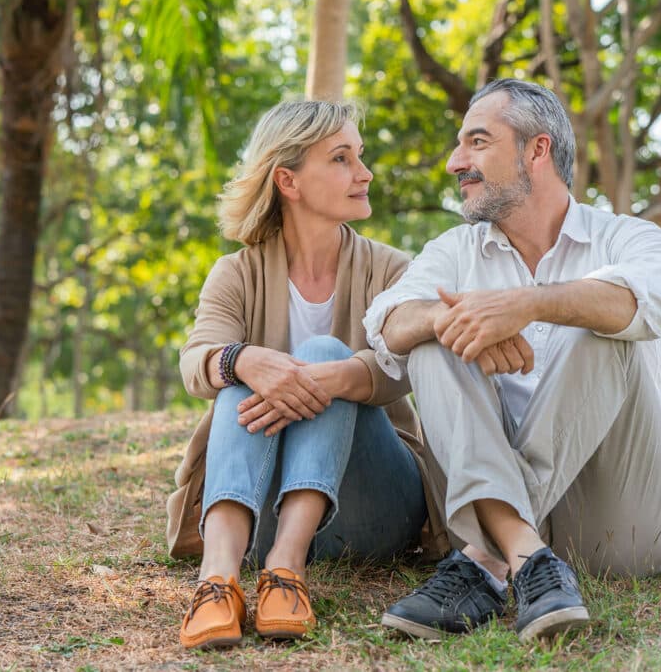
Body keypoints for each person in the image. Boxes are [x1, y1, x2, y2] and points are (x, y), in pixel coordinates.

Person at [363, 78, 661, 642]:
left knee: (604, 323)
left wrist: (525, 305)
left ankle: (486, 560)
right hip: (494, 489)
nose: (454, 161)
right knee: (435, 332)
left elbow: (642, 301)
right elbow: (387, 324)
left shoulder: (630, 238)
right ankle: (524, 553)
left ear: (537, 150)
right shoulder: (453, 250)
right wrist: (451, 320)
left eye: (477, 142)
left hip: (618, 524)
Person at [166, 99, 449, 650]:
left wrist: (330, 377)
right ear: (288, 181)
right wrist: (246, 361)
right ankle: (219, 579)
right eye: (342, 158)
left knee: (322, 355)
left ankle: (287, 569)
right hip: (259, 510)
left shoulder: (393, 270)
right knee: (240, 364)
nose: (364, 173)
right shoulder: (236, 273)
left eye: (359, 156)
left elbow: (408, 367)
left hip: (375, 508)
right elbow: (195, 361)